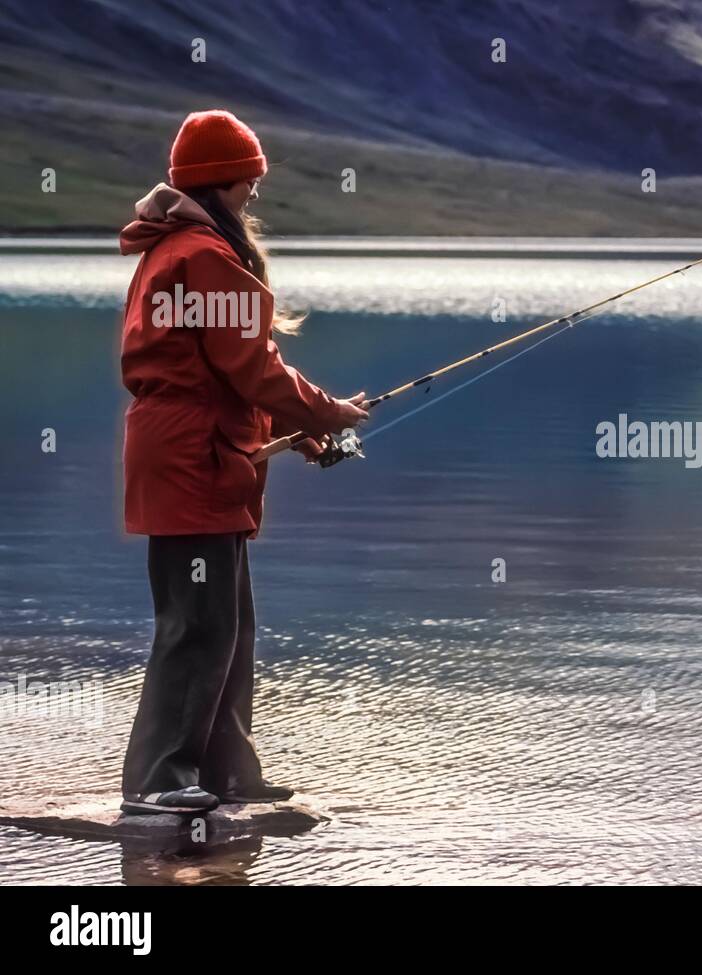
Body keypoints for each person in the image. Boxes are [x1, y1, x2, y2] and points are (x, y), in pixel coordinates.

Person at [117, 110, 368, 814]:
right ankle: (158, 783)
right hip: (191, 460)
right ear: (218, 181)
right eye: (248, 179)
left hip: (204, 455)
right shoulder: (199, 254)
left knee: (227, 624)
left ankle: (227, 774)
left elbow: (230, 372)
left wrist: (304, 428)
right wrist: (325, 412)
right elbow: (251, 367)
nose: (255, 192)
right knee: (196, 626)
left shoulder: (186, 251)